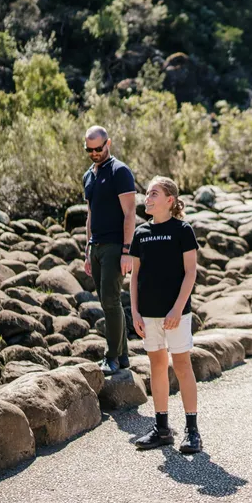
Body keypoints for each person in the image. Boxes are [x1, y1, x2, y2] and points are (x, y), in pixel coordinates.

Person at [129, 176, 202, 454]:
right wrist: (135, 311)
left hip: (177, 314)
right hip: (148, 315)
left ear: (170, 200)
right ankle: (161, 430)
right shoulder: (140, 233)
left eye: (153, 193)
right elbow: (135, 276)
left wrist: (177, 308)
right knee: (157, 366)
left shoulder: (182, 230)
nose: (147, 198)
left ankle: (192, 432)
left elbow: (190, 272)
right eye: (147, 194)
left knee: (182, 367)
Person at [82, 126, 136, 375]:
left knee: (111, 302)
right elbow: (90, 215)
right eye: (89, 149)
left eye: (98, 148)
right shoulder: (88, 176)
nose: (94, 153)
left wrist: (127, 250)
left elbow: (129, 213)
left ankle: (111, 357)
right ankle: (123, 356)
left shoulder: (120, 171)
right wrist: (87, 249)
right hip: (97, 247)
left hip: (116, 246)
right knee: (107, 302)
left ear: (108, 144)